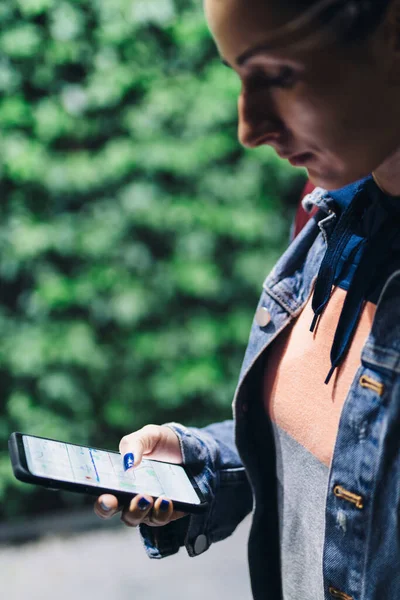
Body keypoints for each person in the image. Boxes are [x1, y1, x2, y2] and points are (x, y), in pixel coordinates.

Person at [94, 0, 400, 598]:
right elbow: (339, 451)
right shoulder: (327, 217)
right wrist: (209, 461)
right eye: (239, 75)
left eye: (279, 75)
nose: (249, 127)